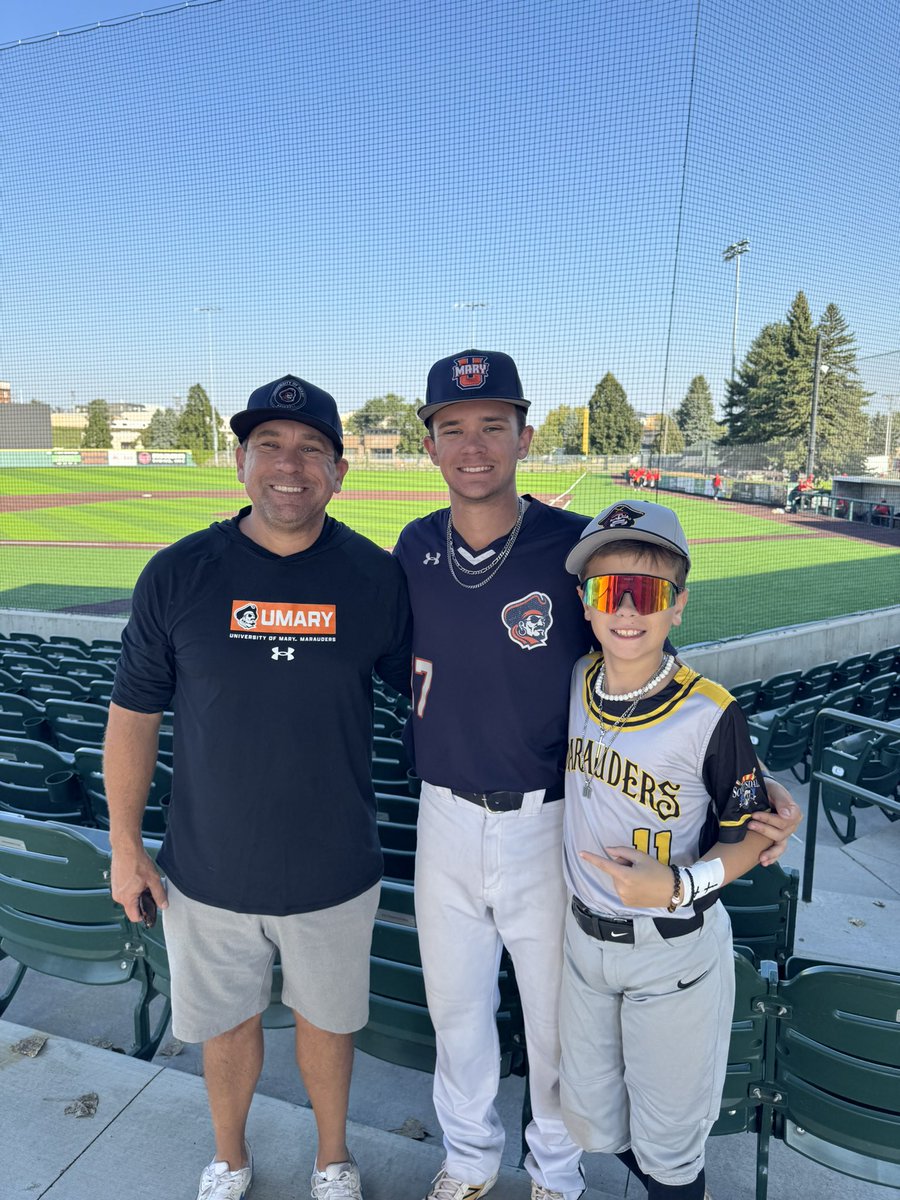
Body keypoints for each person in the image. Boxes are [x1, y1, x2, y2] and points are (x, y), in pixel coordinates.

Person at [393, 350, 800, 1200]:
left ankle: (554, 1170)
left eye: (493, 427)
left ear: (525, 437)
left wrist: (740, 766)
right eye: (453, 429)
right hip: (443, 816)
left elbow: (637, 641)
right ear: (429, 443)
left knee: (552, 1023)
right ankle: (467, 1159)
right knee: (457, 1013)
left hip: (550, 820)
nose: (474, 446)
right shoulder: (412, 546)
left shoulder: (565, 545)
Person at [105, 375, 411, 1200]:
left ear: (339, 472)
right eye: (270, 446)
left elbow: (428, 691)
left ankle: (331, 1159)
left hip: (335, 866)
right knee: (226, 1027)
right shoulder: (177, 575)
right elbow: (132, 715)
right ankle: (229, 1158)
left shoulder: (374, 578)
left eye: (312, 448)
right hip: (206, 870)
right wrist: (126, 847)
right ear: (239, 461)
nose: (290, 465)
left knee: (329, 1024)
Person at [558, 500, 775, 1199]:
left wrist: (682, 886)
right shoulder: (572, 682)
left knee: (670, 1149)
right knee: (593, 1126)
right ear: (586, 605)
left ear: (677, 606)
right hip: (583, 946)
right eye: (606, 590)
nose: (626, 610)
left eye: (646, 592)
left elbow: (749, 838)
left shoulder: (711, 710)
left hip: (672, 949)